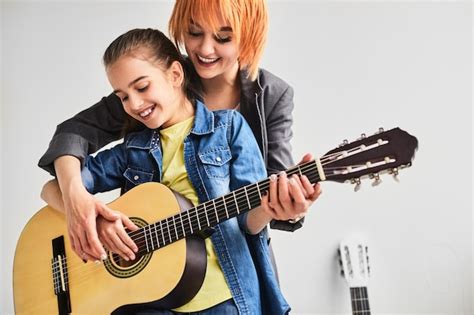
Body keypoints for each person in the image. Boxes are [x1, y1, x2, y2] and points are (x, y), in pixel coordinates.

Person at [38, 0, 322, 265]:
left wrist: (291, 206)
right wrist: (78, 201)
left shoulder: (273, 95)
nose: (205, 49)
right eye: (194, 32)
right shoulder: (156, 82)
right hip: (154, 268)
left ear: (249, 35)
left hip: (234, 264)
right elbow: (73, 134)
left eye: (223, 38)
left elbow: (274, 189)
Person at [41, 27, 293, 314]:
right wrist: (90, 216)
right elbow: (50, 188)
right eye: (122, 96)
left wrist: (273, 208)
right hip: (147, 304)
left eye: (142, 87)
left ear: (175, 75)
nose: (134, 104)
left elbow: (248, 222)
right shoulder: (131, 151)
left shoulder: (229, 128)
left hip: (222, 299)